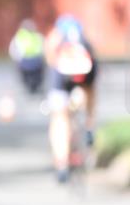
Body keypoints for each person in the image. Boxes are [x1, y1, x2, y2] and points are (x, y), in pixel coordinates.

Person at [44, 14, 98, 184]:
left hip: (61, 74)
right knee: (90, 92)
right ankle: (89, 127)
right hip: (86, 71)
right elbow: (93, 62)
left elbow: (50, 55)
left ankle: (62, 164)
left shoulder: (57, 36)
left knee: (59, 118)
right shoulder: (83, 39)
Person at [9, 19, 46, 95]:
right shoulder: (38, 36)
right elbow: (44, 48)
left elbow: (12, 50)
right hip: (37, 63)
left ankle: (27, 83)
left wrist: (17, 60)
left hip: (24, 63)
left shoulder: (19, 37)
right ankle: (36, 84)